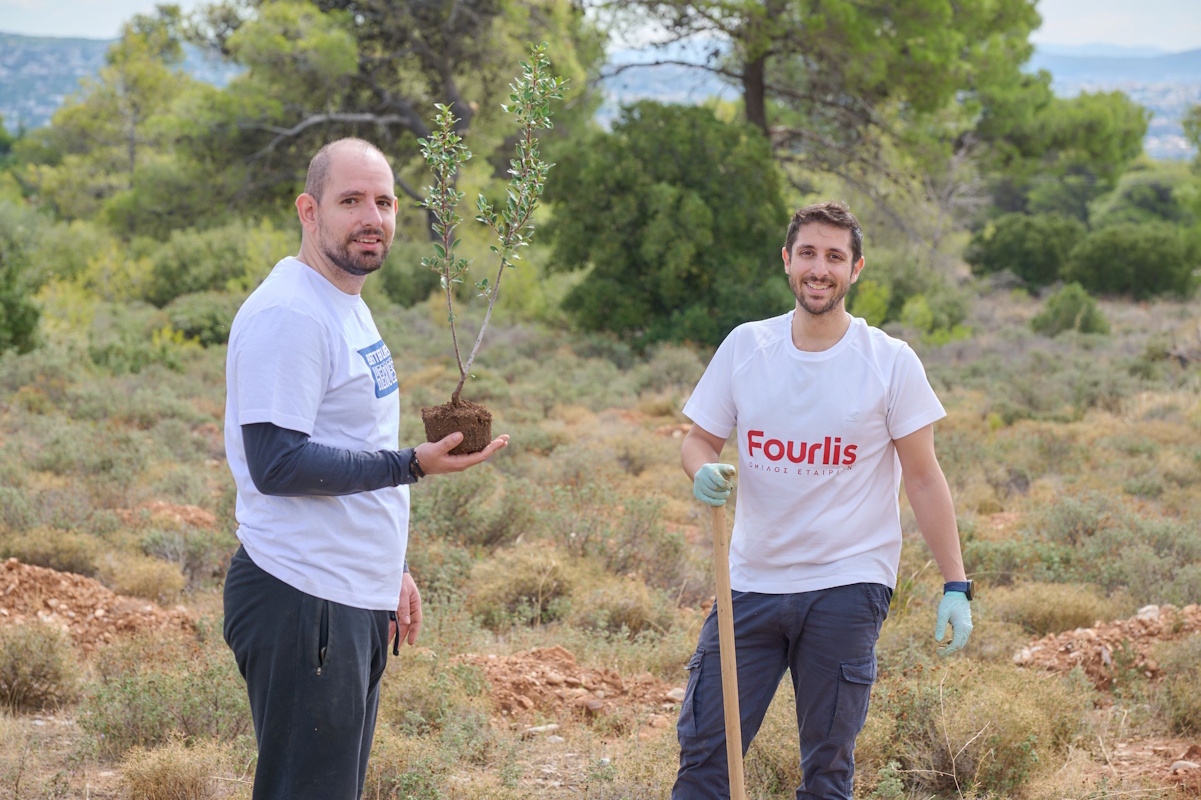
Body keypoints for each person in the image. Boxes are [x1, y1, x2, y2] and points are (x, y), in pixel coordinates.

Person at [222, 137, 508, 800]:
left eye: (383, 201)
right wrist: (412, 464)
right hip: (303, 596)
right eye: (350, 200)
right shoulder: (291, 313)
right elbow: (277, 462)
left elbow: (346, 436)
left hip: (345, 591)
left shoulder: (341, 300)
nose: (371, 216)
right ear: (308, 210)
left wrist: (387, 570)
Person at [673, 201, 972, 799]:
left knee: (827, 767)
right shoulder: (745, 347)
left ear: (855, 269)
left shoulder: (889, 362)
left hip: (848, 584)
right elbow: (699, 440)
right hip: (750, 582)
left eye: (835, 257)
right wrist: (701, 471)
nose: (820, 268)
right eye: (808, 253)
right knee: (706, 750)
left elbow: (923, 477)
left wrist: (955, 585)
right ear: (787, 261)